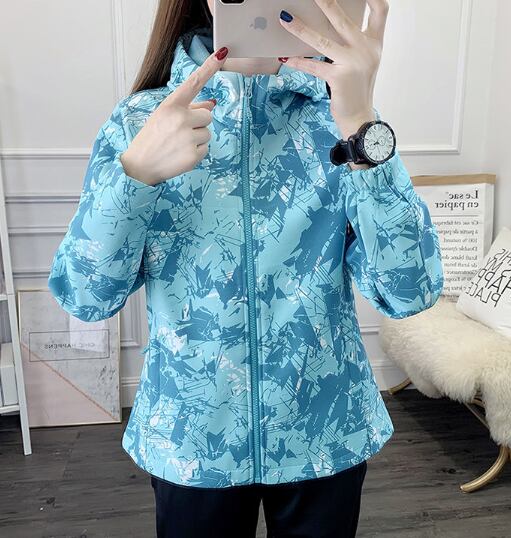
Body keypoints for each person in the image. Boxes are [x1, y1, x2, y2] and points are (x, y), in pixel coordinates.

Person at [47, 0, 444, 536]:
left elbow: (411, 291)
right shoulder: (143, 122)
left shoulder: (338, 120)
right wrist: (135, 175)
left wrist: (361, 124)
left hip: (325, 428)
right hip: (193, 440)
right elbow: (85, 297)